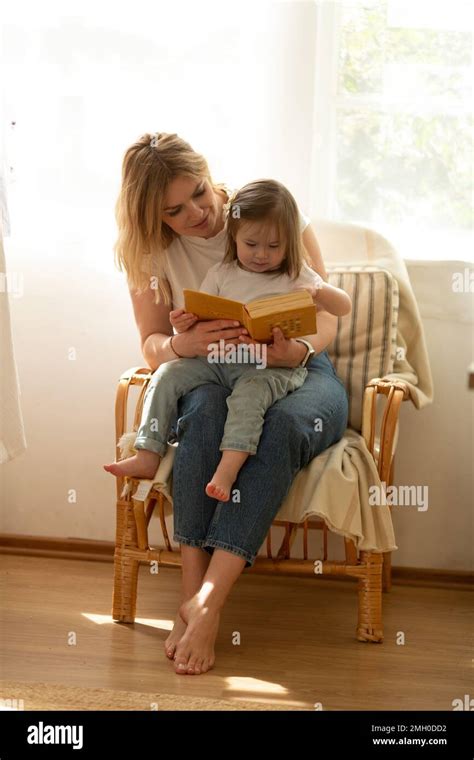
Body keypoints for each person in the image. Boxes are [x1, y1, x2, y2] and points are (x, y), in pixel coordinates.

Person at [110, 132, 349, 676]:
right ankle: (191, 601)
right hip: (214, 369)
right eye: (174, 210)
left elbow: (325, 312)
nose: (197, 212)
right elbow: (151, 344)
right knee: (204, 414)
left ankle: (209, 604)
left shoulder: (268, 210)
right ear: (152, 216)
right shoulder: (150, 254)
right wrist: (180, 346)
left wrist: (298, 349)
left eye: (198, 192)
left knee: (282, 423)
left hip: (301, 370)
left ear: (206, 173)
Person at [105, 179, 351, 506]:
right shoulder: (222, 273)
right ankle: (148, 450)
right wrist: (185, 322)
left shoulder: (296, 274)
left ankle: (228, 469)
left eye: (274, 247)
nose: (262, 255)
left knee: (249, 400)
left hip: (267, 366)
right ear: (233, 238)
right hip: (220, 360)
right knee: (167, 375)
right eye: (251, 245)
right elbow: (200, 311)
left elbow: (342, 307)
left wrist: (320, 293)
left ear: (288, 243)